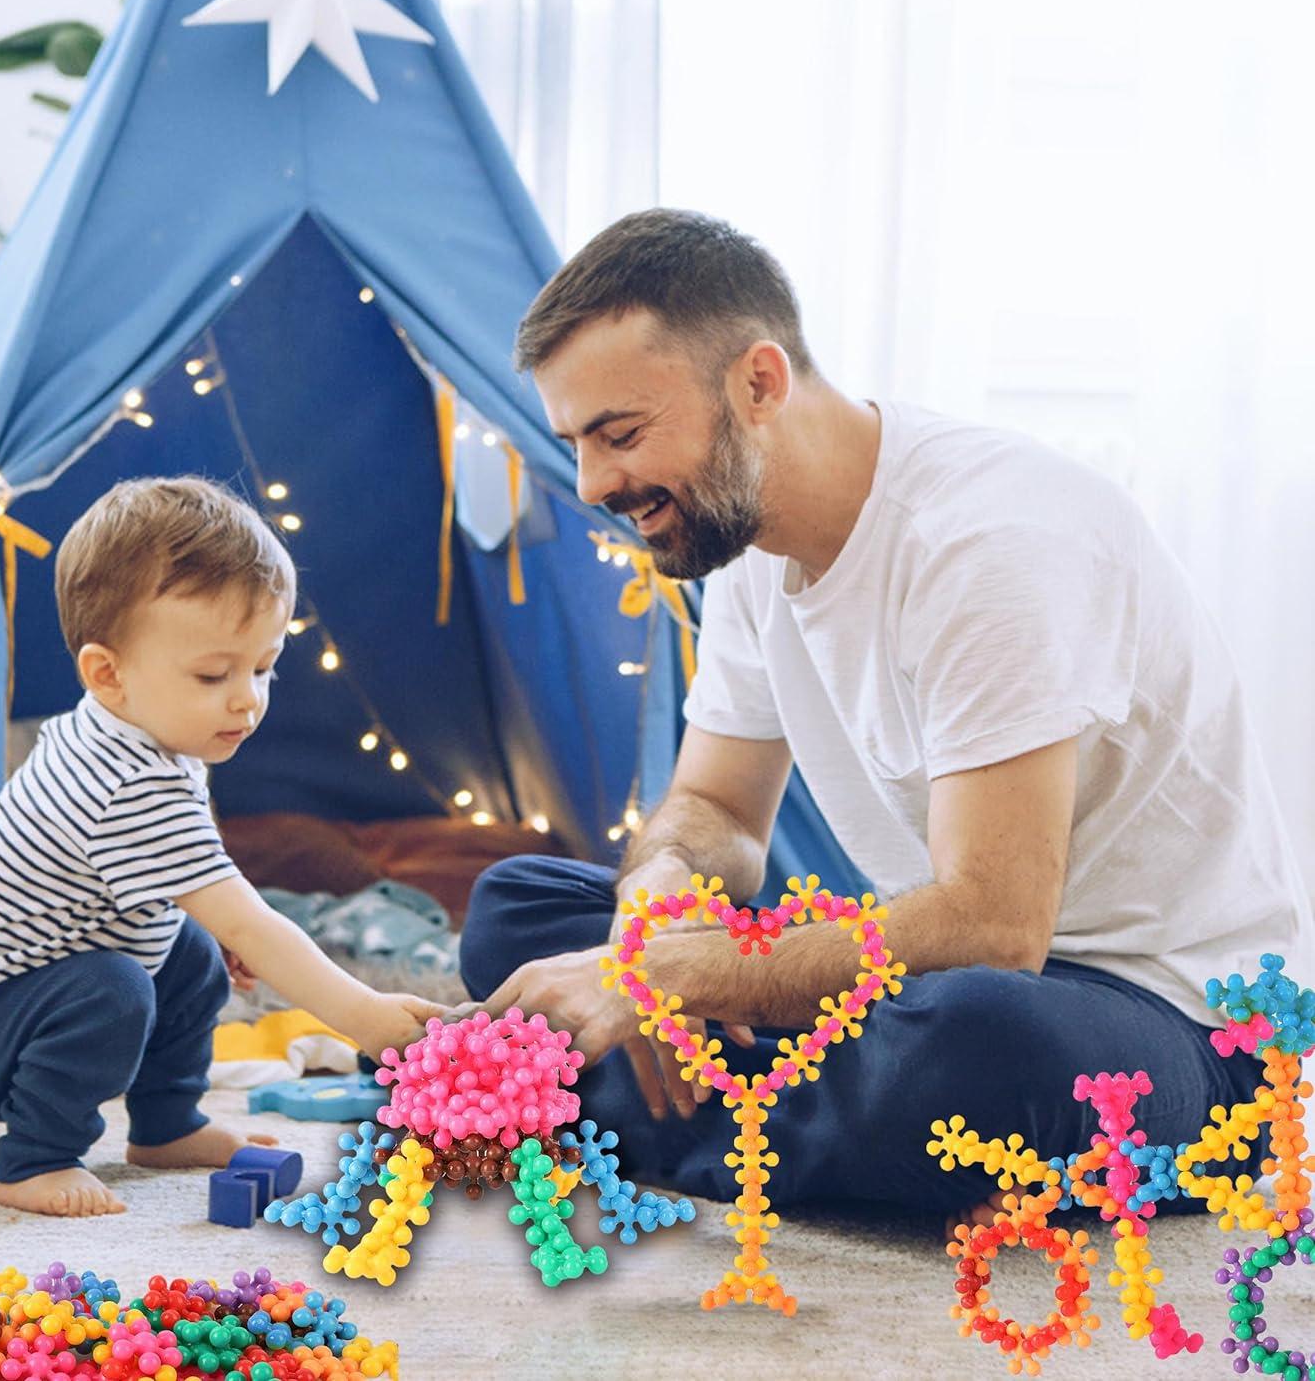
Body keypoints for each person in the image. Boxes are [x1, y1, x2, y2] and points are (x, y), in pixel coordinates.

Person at [459, 208, 1314, 1214]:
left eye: (622, 435)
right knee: (517, 912)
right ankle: (796, 1135)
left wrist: (667, 984)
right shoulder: (743, 546)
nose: (597, 483)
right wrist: (657, 905)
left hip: (1179, 1030)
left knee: (973, 1045)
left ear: (759, 383)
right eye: (578, 443)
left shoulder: (991, 540)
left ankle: (623, 1116)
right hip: (926, 978)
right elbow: (721, 814)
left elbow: (996, 926)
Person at [0, 477, 445, 1217]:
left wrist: (214, 929)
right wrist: (363, 1015)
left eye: (264, 666)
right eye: (214, 674)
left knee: (192, 952)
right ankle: (32, 1159)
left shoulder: (136, 724)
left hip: (38, 979)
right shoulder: (122, 781)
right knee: (116, 987)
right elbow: (250, 920)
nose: (248, 698)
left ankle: (167, 1124)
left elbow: (189, 893)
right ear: (107, 674)